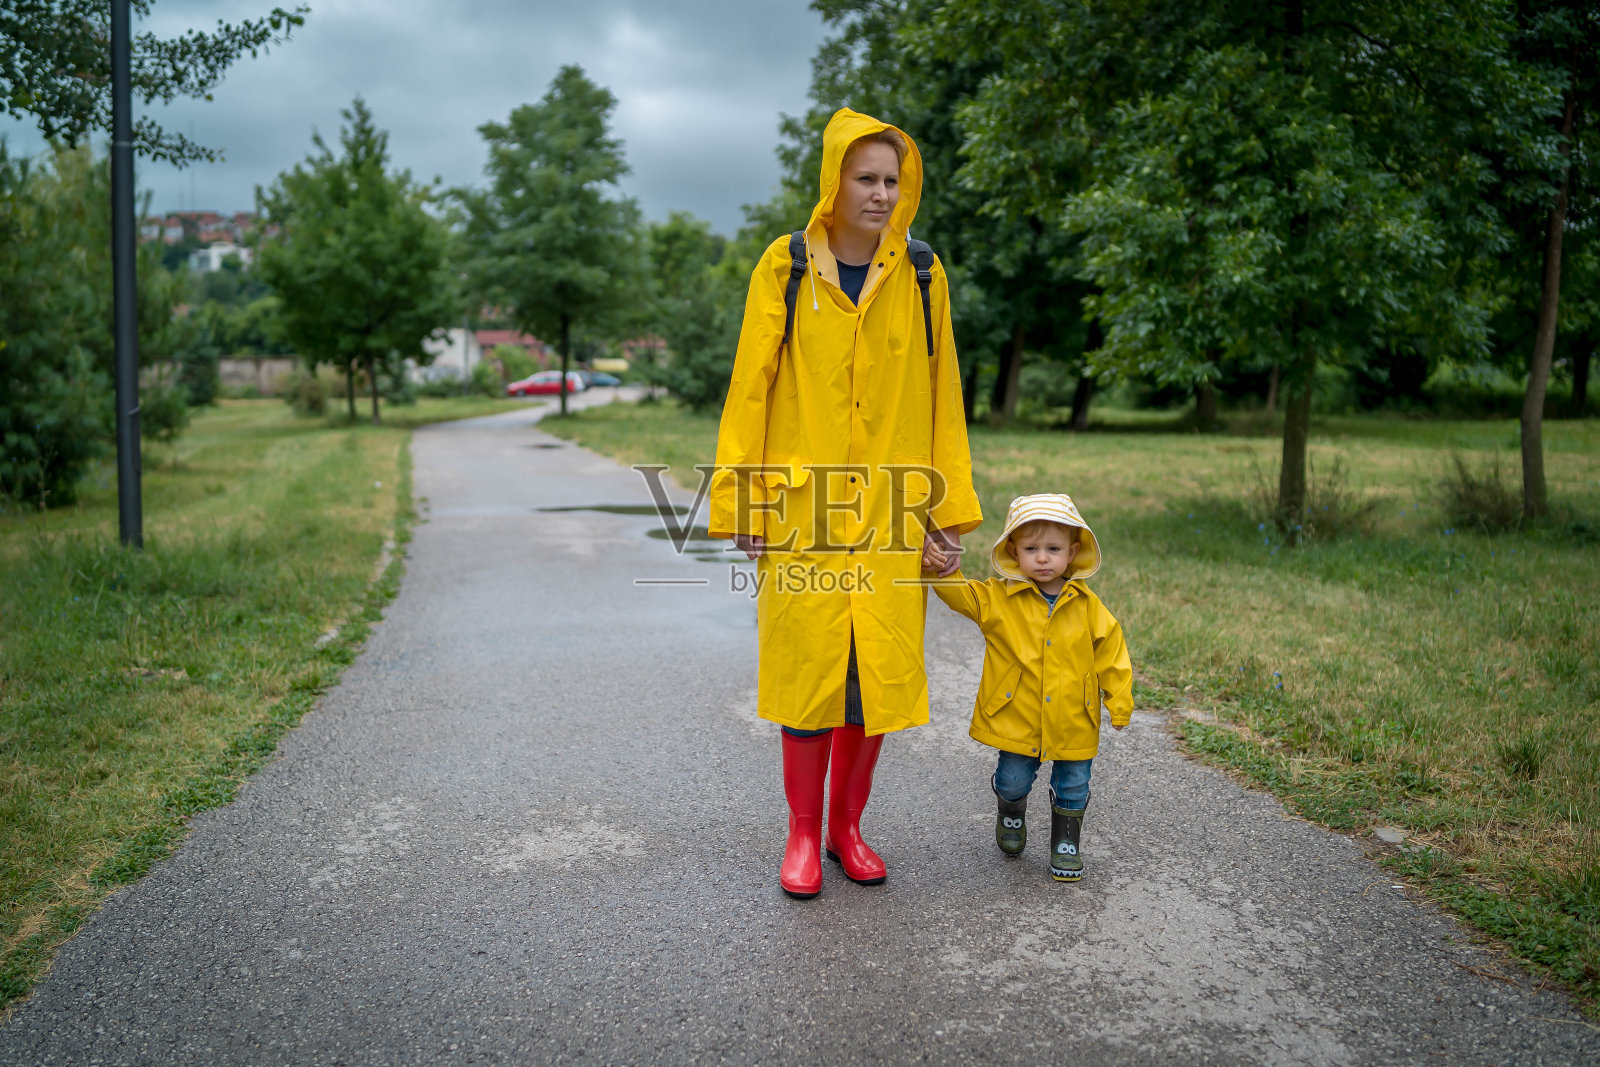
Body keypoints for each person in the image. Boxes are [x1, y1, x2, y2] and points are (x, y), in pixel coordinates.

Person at [708, 108, 982, 898]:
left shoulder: (923, 273)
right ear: (835, 181)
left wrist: (945, 514)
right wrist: (744, 502)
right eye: (866, 178)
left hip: (894, 512)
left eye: (893, 180)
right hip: (805, 511)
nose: (882, 193)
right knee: (809, 673)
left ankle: (845, 828)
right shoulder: (786, 265)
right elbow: (750, 387)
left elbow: (944, 394)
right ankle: (801, 833)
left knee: (873, 679)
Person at [923, 493, 1132, 882]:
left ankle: (1066, 843)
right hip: (1018, 713)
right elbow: (959, 596)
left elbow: (1112, 653)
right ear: (1013, 552)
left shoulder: (1088, 606)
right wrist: (939, 570)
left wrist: (1119, 702)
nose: (1042, 558)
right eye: (1031, 549)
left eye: (1053, 549)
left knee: (1074, 783)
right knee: (1013, 779)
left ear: (1072, 553)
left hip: (1075, 717)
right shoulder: (999, 599)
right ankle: (1010, 810)